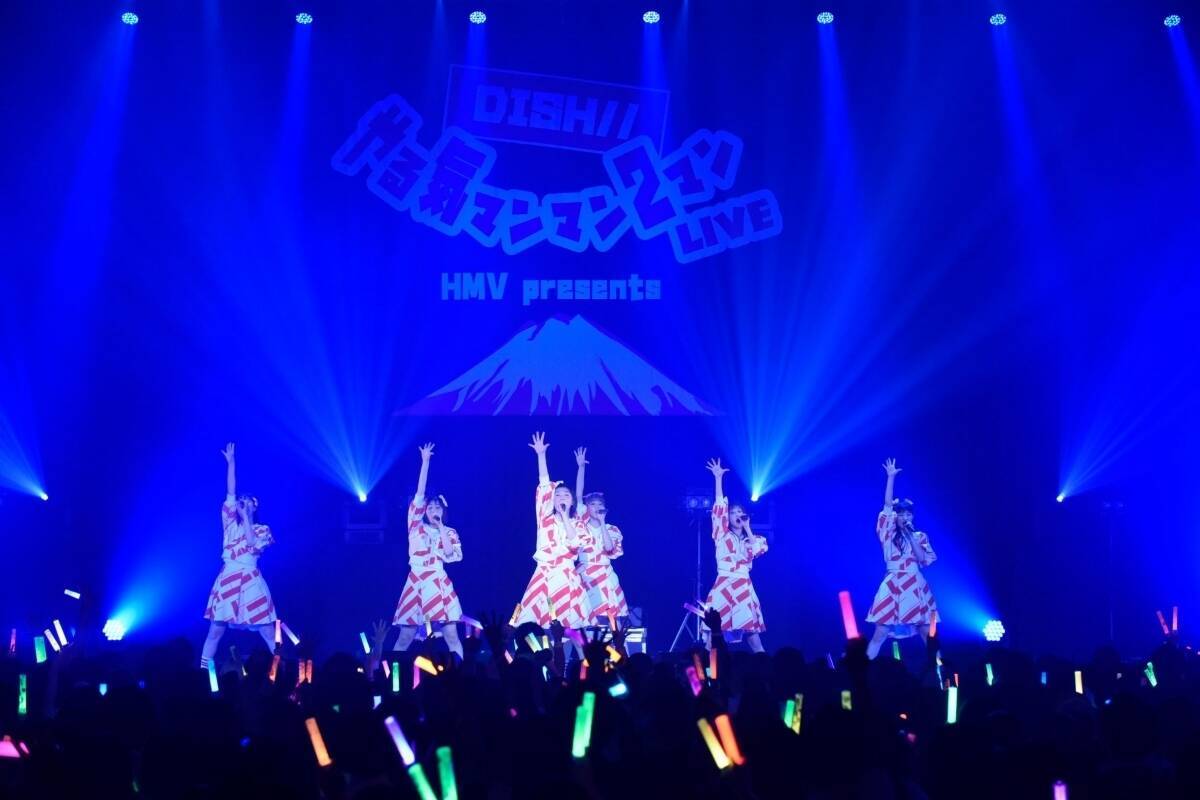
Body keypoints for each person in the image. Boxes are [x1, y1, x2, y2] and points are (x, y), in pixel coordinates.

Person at [201, 443, 279, 669]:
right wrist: (231, 463)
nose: (241, 502)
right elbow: (231, 491)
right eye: (240, 501)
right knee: (215, 630)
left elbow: (253, 544)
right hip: (228, 577)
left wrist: (246, 518)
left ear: (255, 505)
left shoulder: (263, 530)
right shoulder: (229, 525)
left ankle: (279, 671)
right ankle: (203, 672)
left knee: (267, 630)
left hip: (251, 578)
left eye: (247, 500)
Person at [514, 433, 590, 644]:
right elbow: (544, 483)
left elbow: (575, 543)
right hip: (544, 575)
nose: (561, 497)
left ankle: (585, 662)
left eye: (566, 495)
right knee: (529, 624)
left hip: (566, 576)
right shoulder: (544, 519)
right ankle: (540, 659)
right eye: (558, 495)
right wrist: (541, 455)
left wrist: (565, 517)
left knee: (572, 629)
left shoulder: (577, 523)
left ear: (572, 500)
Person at [391, 443, 465, 659]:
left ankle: (462, 672)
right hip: (416, 580)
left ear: (443, 510)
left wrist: (441, 527)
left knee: (451, 634)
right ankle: (393, 674)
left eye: (437, 507)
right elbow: (420, 493)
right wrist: (425, 462)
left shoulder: (449, 532)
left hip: (438, 580)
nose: (433, 510)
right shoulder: (415, 526)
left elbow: (450, 555)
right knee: (406, 636)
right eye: (430, 508)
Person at [866, 458, 938, 659]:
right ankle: (862, 669)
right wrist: (891, 478)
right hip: (893, 583)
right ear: (896, 517)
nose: (906, 517)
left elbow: (923, 559)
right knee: (880, 631)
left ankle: (940, 672)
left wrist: (911, 536)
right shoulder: (887, 534)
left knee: (927, 631)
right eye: (902, 514)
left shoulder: (920, 536)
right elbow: (887, 506)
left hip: (915, 583)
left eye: (909, 515)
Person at [702, 458, 768, 653]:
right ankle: (710, 668)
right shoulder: (721, 535)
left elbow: (757, 550)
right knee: (712, 636)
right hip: (724, 584)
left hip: (743, 586)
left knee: (752, 636)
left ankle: (764, 666)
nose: (737, 515)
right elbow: (718, 509)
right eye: (733, 513)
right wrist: (718, 479)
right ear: (728, 518)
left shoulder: (752, 539)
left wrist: (748, 528)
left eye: (740, 512)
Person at [572, 447, 629, 626]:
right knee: (587, 617)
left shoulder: (612, 529)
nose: (596, 507)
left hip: (606, 574)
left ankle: (615, 643)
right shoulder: (581, 526)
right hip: (586, 574)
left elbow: (610, 548)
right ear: (587, 508)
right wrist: (581, 467)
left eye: (599, 504)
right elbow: (578, 496)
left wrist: (603, 522)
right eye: (593, 504)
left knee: (612, 617)